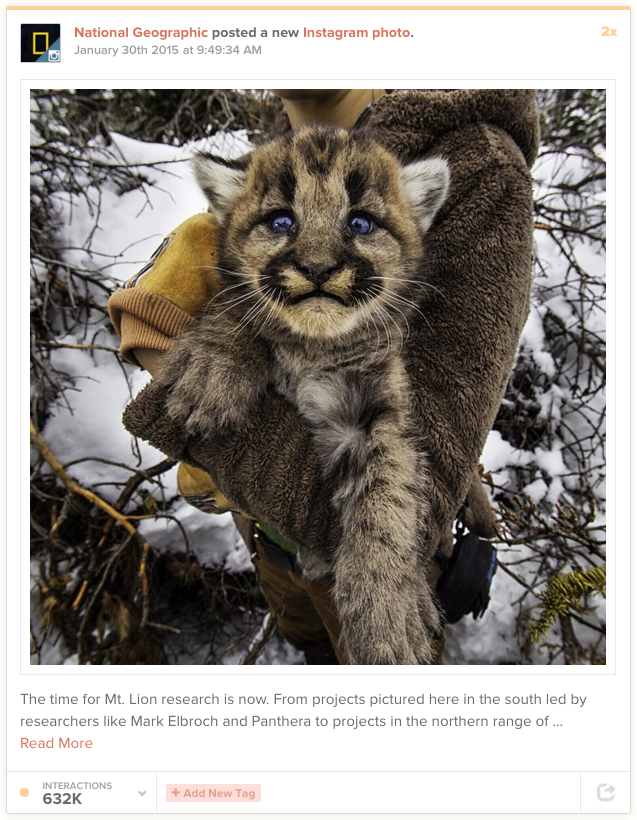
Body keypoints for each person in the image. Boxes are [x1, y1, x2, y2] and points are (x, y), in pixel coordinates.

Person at [109, 88, 540, 664]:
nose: (315, 260)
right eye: (281, 221)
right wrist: (228, 329)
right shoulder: (267, 162)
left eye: (360, 223)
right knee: (309, 650)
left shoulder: (478, 163)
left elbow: (415, 457)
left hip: (374, 586)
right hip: (267, 548)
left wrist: (168, 347)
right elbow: (236, 294)